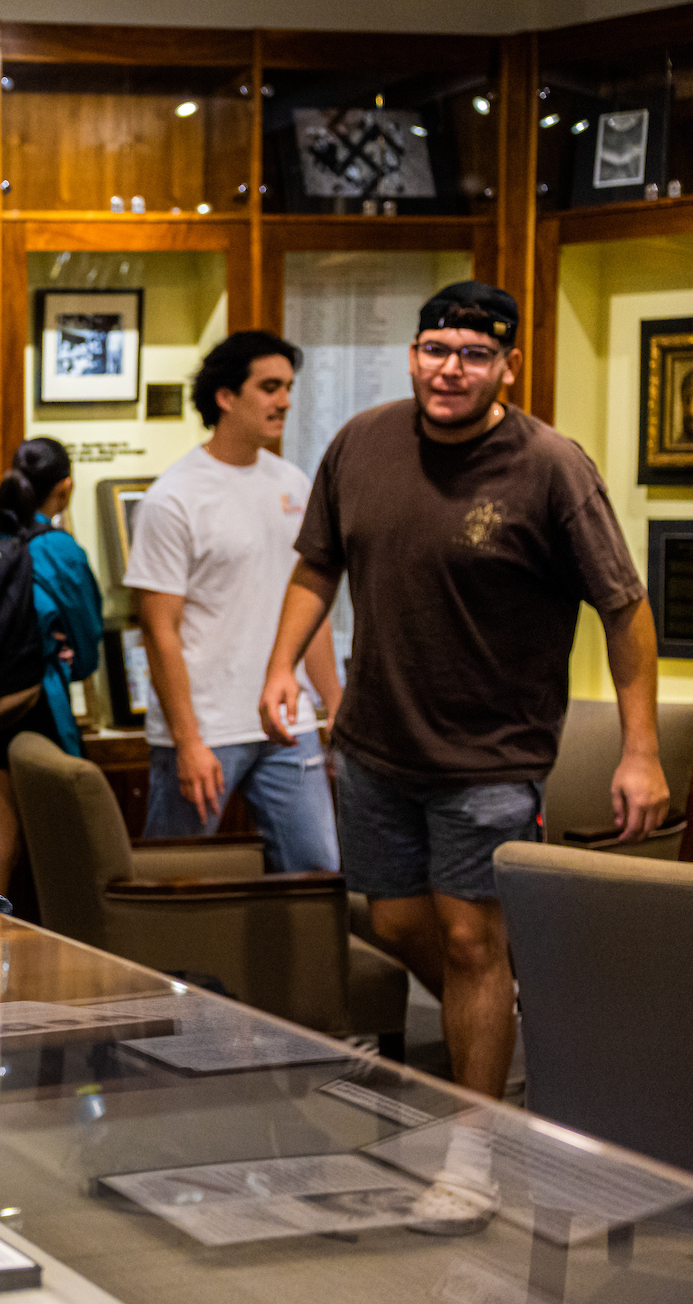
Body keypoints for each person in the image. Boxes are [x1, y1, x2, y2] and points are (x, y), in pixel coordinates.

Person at [259, 280, 670, 1230]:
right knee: (397, 924)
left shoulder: (551, 468)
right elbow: (319, 563)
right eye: (436, 349)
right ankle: (525, 1019)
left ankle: (475, 1149)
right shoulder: (360, 441)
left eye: (474, 354)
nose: (451, 369)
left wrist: (639, 748)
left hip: (493, 755)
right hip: (375, 746)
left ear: (507, 366)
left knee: (468, 939)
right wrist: (283, 663)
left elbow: (625, 606)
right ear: (412, 354)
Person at [128, 330, 342, 870]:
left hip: (286, 727)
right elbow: (159, 630)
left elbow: (309, 609)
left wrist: (335, 703)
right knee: (178, 881)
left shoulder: (293, 484)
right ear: (226, 396)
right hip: (207, 729)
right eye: (269, 387)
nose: (285, 402)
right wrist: (188, 742)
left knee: (318, 872)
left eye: (288, 388)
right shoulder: (173, 496)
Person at [0, 438, 104, 896]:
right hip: (38, 708)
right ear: (66, 488)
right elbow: (86, 645)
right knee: (62, 852)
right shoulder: (60, 549)